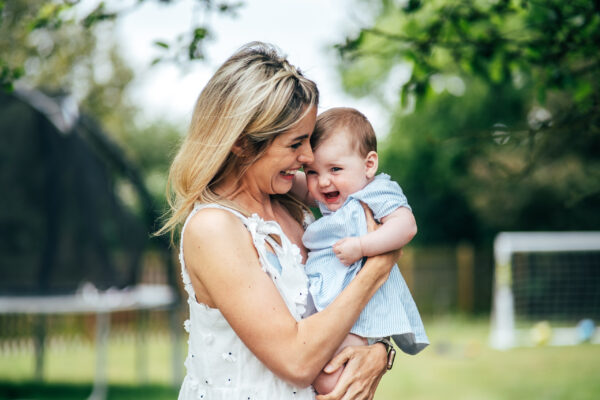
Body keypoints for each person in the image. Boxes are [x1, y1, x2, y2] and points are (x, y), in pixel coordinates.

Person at [157, 42, 401, 400]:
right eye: (294, 144)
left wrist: (379, 350)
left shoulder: (295, 207)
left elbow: (342, 299)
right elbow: (297, 361)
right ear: (241, 143)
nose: (307, 157)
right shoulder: (214, 228)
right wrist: (378, 268)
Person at [292, 107, 429, 394]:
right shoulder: (327, 196)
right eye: (313, 172)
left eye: (335, 169)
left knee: (331, 381)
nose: (323, 181)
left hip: (359, 313)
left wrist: (363, 246)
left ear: (369, 165)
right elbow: (292, 184)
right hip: (329, 306)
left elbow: (406, 226)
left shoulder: (375, 191)